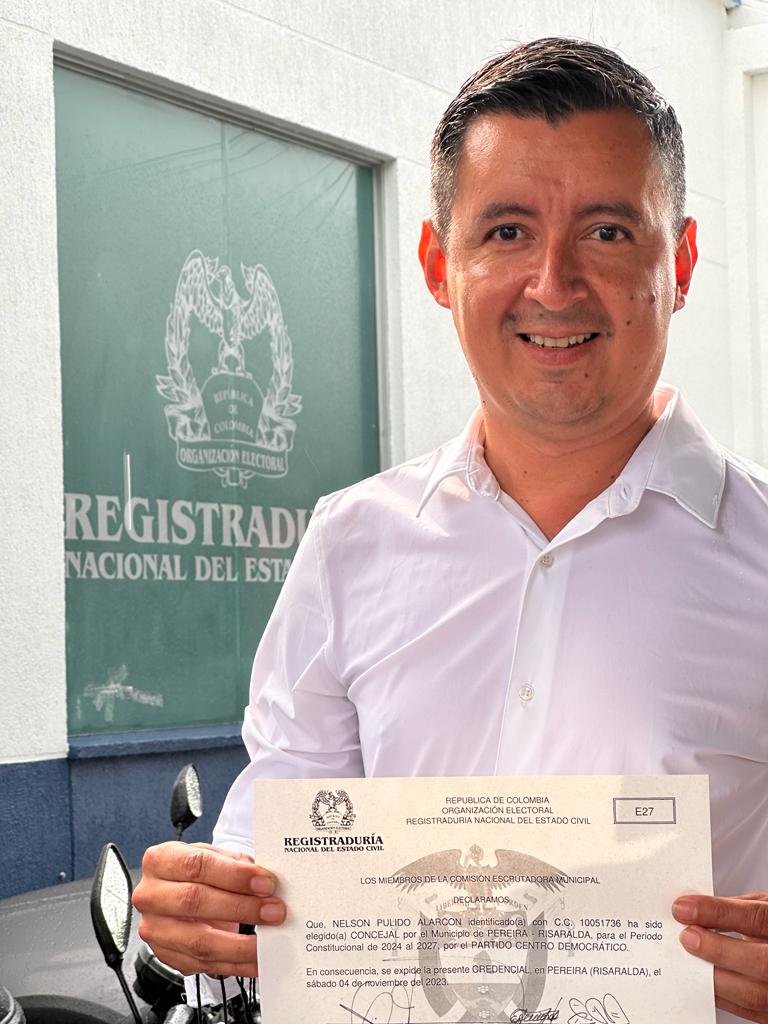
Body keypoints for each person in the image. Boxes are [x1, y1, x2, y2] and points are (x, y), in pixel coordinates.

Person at [133, 38, 768, 1023]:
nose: (553, 283)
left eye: (607, 232)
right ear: (440, 264)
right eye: (507, 231)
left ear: (679, 263)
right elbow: (277, 851)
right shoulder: (349, 549)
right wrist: (209, 906)